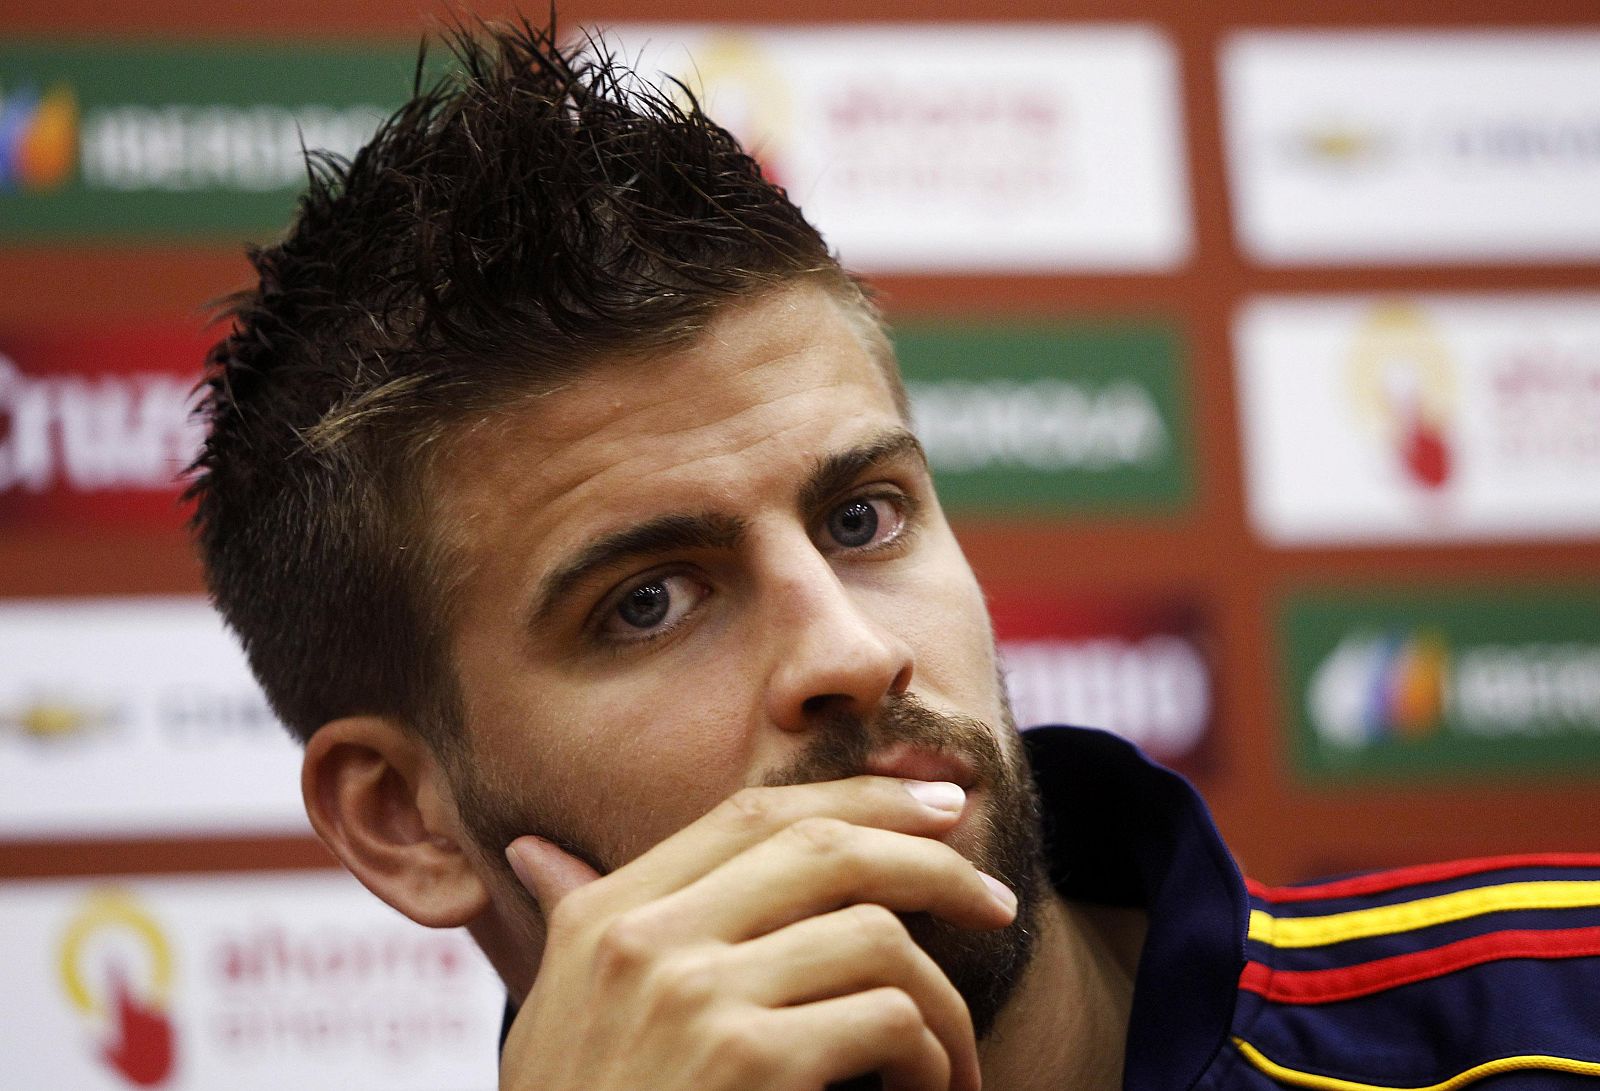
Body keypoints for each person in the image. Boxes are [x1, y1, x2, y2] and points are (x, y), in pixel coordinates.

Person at [187, 19, 1600, 1091]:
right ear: (405, 819)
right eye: (649, 601)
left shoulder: (1554, 1022)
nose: (852, 653)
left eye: (862, 518)